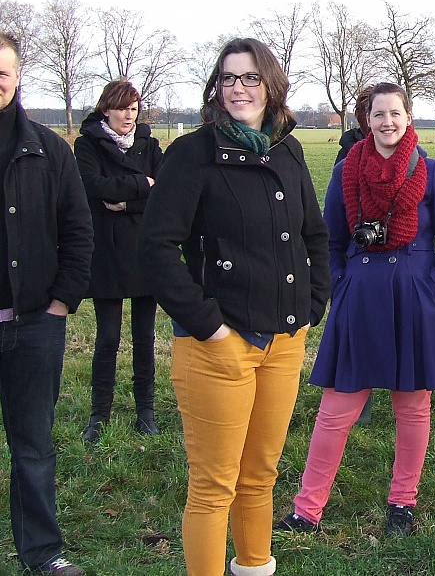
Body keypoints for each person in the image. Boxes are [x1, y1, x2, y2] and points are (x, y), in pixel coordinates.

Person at [138, 38, 331, 576]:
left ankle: (254, 565)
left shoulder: (287, 150)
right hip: (219, 346)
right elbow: (155, 248)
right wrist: (209, 327)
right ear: (216, 87)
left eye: (250, 78)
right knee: (213, 485)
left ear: (271, 86)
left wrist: (313, 303)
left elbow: (314, 233)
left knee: (260, 475)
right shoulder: (192, 154)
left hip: (284, 342)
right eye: (228, 78)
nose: (238, 88)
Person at [275, 81, 435, 538]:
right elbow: (329, 241)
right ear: (367, 120)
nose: (387, 122)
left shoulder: (433, 172)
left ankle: (403, 502)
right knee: (335, 410)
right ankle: (307, 509)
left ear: (408, 117)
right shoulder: (347, 170)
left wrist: (432, 289)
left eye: (395, 113)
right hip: (359, 301)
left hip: (415, 303)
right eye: (379, 114)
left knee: (413, 407)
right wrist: (342, 284)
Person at [0, 33, 93, 575]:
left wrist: (60, 303)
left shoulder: (48, 151)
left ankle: (42, 554)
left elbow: (78, 231)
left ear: (17, 80)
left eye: (2, 73)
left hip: (33, 325)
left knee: (33, 447)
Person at [75, 78, 163, 443]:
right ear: (106, 109)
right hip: (107, 254)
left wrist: (127, 202)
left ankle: (146, 411)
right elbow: (93, 186)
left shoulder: (150, 145)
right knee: (107, 338)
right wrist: (144, 184)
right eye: (122, 108)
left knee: (144, 338)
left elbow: (164, 193)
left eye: (134, 109)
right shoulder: (87, 144)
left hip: (143, 252)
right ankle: (99, 414)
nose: (129, 116)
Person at [334, 85, 375, 426]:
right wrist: (337, 275)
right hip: (356, 256)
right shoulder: (346, 158)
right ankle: (361, 397)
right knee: (360, 330)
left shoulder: (417, 160)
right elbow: (332, 224)